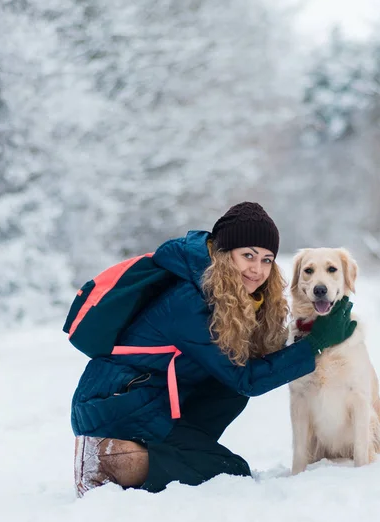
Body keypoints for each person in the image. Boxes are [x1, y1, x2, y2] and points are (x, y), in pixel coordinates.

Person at [71, 201, 357, 495]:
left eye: (266, 260)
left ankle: (176, 449)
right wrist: (315, 345)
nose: (257, 269)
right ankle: (109, 460)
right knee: (231, 471)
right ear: (224, 253)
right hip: (116, 404)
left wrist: (304, 333)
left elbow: (243, 372)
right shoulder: (190, 300)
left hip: (146, 399)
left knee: (228, 393)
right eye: (248, 255)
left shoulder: (229, 294)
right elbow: (245, 379)